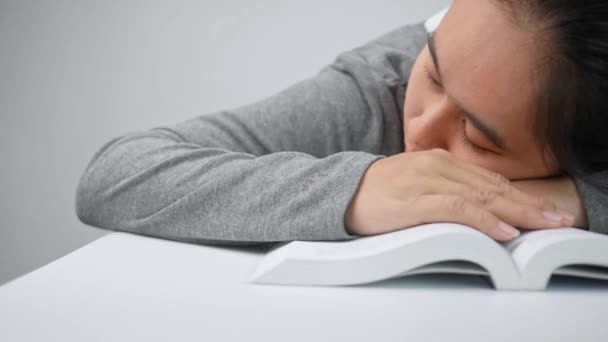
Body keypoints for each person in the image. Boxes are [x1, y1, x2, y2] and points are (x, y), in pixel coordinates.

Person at [75, 0, 608, 247]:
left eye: (476, 137)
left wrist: (576, 201)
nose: (419, 131)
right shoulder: (380, 89)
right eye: (435, 73)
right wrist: (357, 191)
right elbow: (116, 175)